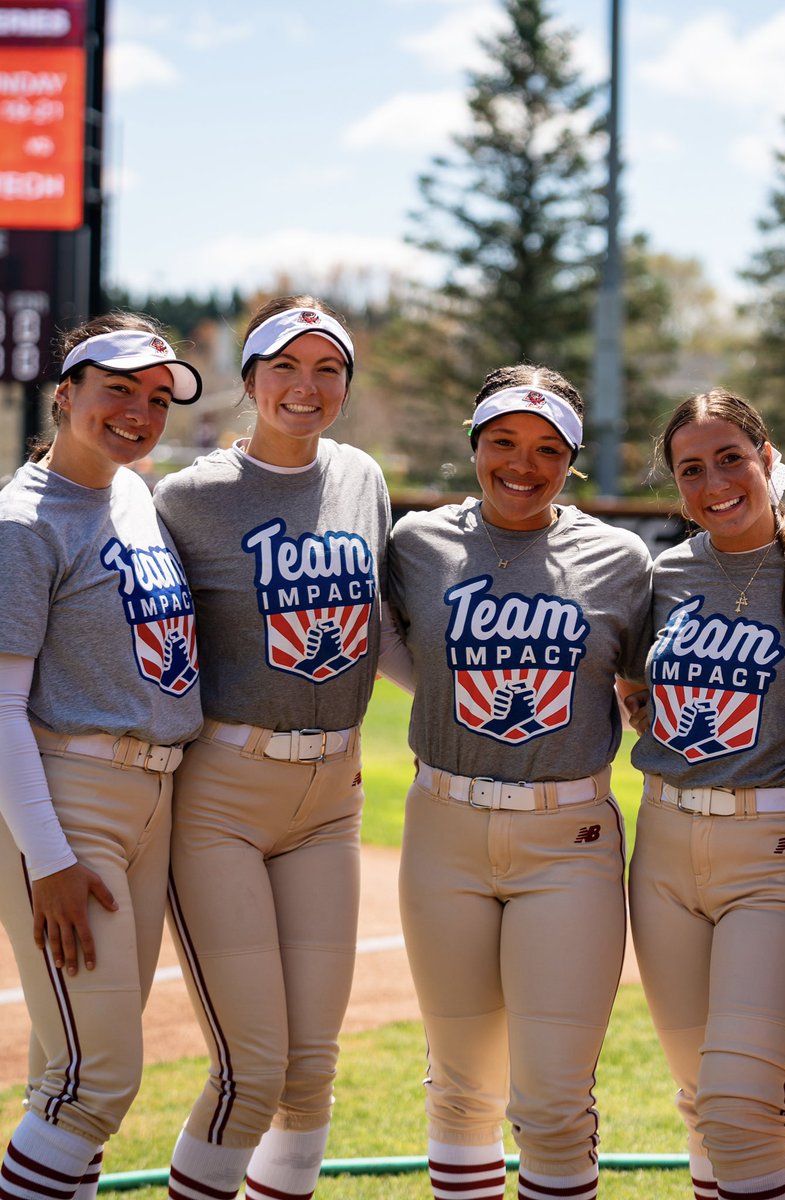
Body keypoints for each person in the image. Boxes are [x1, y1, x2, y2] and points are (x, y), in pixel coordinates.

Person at [388, 366, 653, 1200]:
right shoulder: (415, 544)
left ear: (571, 460)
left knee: (554, 1100)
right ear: (475, 443)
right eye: (502, 442)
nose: (522, 464)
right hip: (444, 830)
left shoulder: (620, 558)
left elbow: (647, 690)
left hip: (567, 840)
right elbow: (387, 651)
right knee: (461, 1090)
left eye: (547, 449)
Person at [152, 296, 391, 1200]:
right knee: (252, 1067)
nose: (306, 386)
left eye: (327, 369)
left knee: (310, 1068)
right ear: (249, 381)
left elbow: (379, 627)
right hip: (223, 793)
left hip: (331, 794)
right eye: (284, 368)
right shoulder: (189, 497)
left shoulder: (361, 476)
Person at [0, 313, 203, 1200]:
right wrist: (48, 859)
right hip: (69, 800)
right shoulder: (22, 520)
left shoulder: (131, 495)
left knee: (66, 1076)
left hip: (150, 800)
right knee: (102, 1080)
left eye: (158, 397)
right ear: (66, 392)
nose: (140, 411)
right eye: (118, 387)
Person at [626, 389, 785, 1200]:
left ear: (766, 458)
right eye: (691, 469)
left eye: (730, 459)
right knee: (700, 1103)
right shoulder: (665, 574)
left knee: (739, 1104)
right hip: (665, 850)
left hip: (779, 857)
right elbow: (629, 675)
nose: (714, 482)